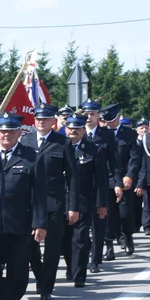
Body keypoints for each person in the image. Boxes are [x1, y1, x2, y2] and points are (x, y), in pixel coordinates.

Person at [0, 113, 47, 300]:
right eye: (2, 130)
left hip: (21, 223)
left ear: (20, 132)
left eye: (11, 130)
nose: (6, 135)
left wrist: (40, 223)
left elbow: (39, 193)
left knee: (18, 270)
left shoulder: (32, 156)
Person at [22, 105, 80, 300]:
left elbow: (73, 177)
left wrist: (73, 207)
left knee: (53, 248)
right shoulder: (25, 140)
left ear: (53, 122)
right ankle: (40, 278)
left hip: (54, 202)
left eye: (45, 119)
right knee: (29, 248)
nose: (41, 121)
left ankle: (46, 287)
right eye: (38, 118)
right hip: (29, 203)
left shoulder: (62, 143)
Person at [62, 115, 109, 287]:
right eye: (70, 128)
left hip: (83, 201)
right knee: (64, 239)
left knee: (80, 239)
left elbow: (101, 180)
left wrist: (102, 204)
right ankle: (70, 267)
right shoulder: (58, 147)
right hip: (61, 200)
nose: (73, 131)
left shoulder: (94, 150)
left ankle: (79, 274)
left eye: (77, 128)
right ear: (65, 128)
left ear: (83, 130)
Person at [80, 100, 122, 271]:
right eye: (86, 114)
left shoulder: (107, 135)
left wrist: (118, 183)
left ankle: (95, 260)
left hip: (101, 184)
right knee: (81, 226)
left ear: (98, 116)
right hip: (81, 185)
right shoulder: (75, 132)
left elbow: (114, 161)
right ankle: (82, 257)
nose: (89, 117)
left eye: (92, 114)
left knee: (98, 224)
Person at [105, 109, 143, 256]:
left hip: (124, 176)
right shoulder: (102, 134)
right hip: (107, 177)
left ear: (118, 118)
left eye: (112, 120)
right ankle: (109, 245)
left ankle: (127, 237)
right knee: (108, 214)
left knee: (125, 213)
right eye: (107, 121)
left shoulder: (129, 134)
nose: (109, 124)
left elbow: (135, 157)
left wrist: (130, 175)